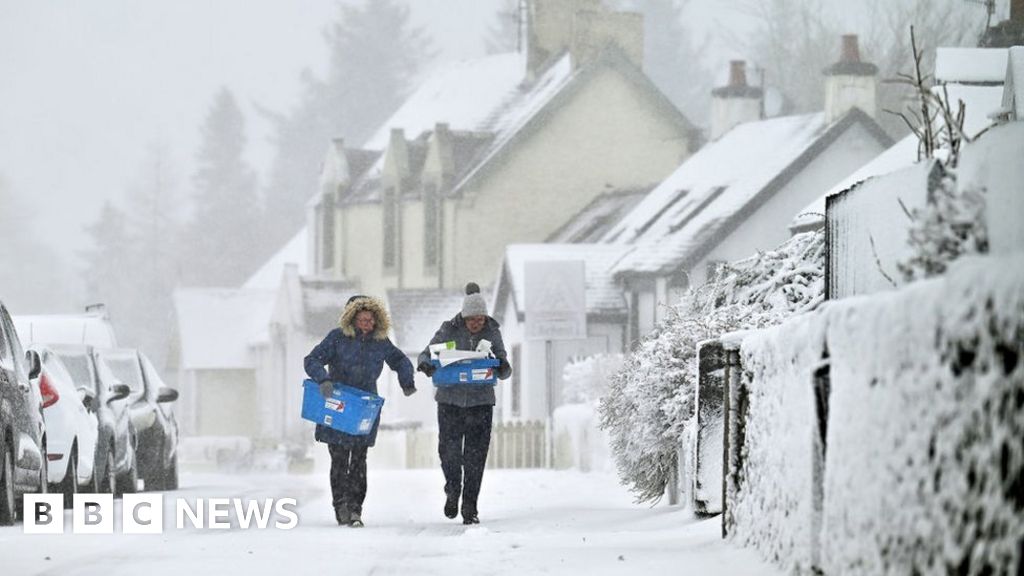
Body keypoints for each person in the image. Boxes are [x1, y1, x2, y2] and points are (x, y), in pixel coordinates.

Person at [305, 294, 416, 527]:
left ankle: (356, 509)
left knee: (358, 459)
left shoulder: (380, 342)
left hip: (364, 407)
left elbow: (401, 361)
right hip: (338, 405)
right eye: (363, 320)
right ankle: (341, 505)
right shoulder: (336, 338)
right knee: (338, 459)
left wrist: (407, 382)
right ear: (352, 319)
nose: (367, 324)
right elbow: (312, 359)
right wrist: (323, 379)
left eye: (371, 320)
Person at [417, 282, 512, 525]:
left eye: (480, 320)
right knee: (449, 454)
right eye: (472, 320)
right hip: (450, 401)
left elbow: (502, 362)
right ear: (464, 316)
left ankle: (470, 506)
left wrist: (501, 366)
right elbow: (427, 352)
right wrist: (426, 363)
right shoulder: (449, 329)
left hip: (481, 403)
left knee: (475, 458)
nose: (476, 324)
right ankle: (452, 489)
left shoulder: (492, 331)